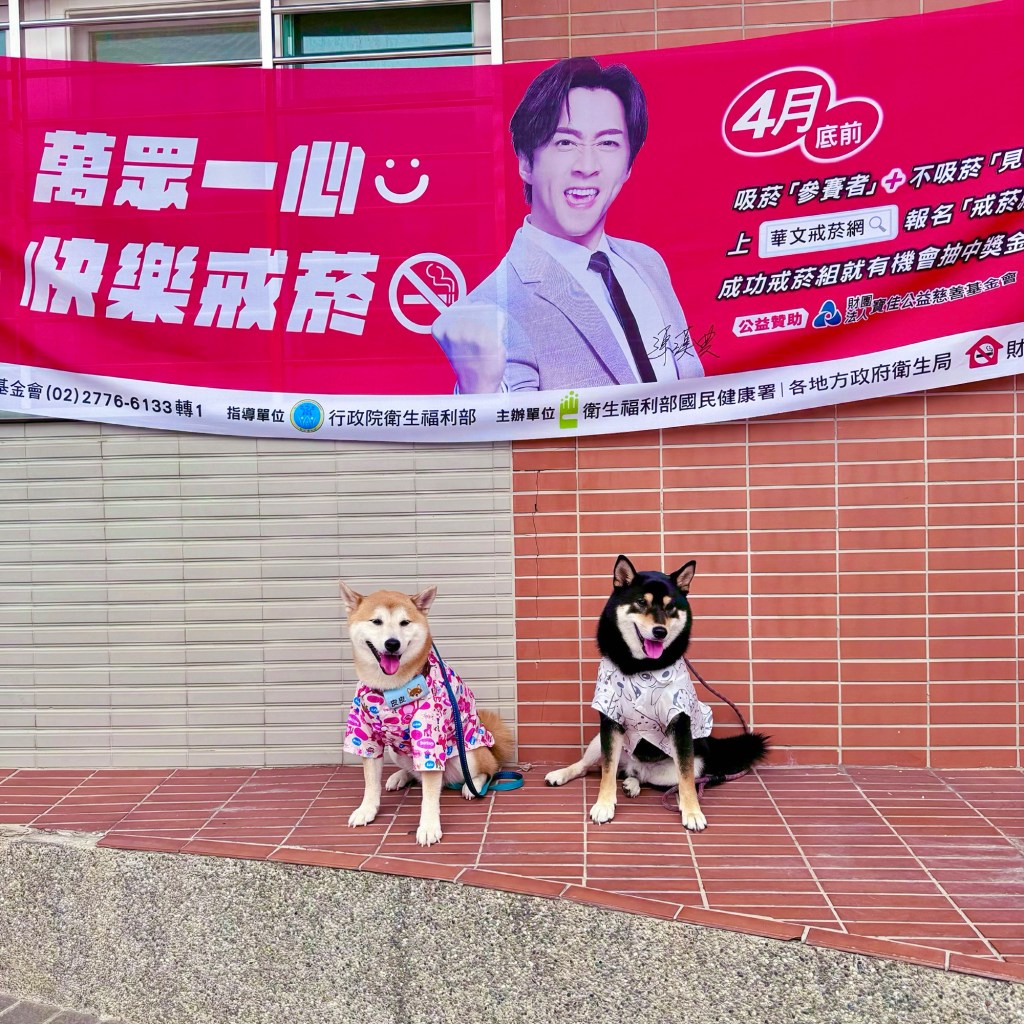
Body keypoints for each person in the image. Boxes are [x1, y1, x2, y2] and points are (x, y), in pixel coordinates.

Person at [432, 56, 704, 393]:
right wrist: (478, 389)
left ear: (628, 166)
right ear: (525, 162)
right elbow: (509, 417)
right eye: (565, 142)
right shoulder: (496, 305)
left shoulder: (647, 262)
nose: (587, 166)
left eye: (607, 143)